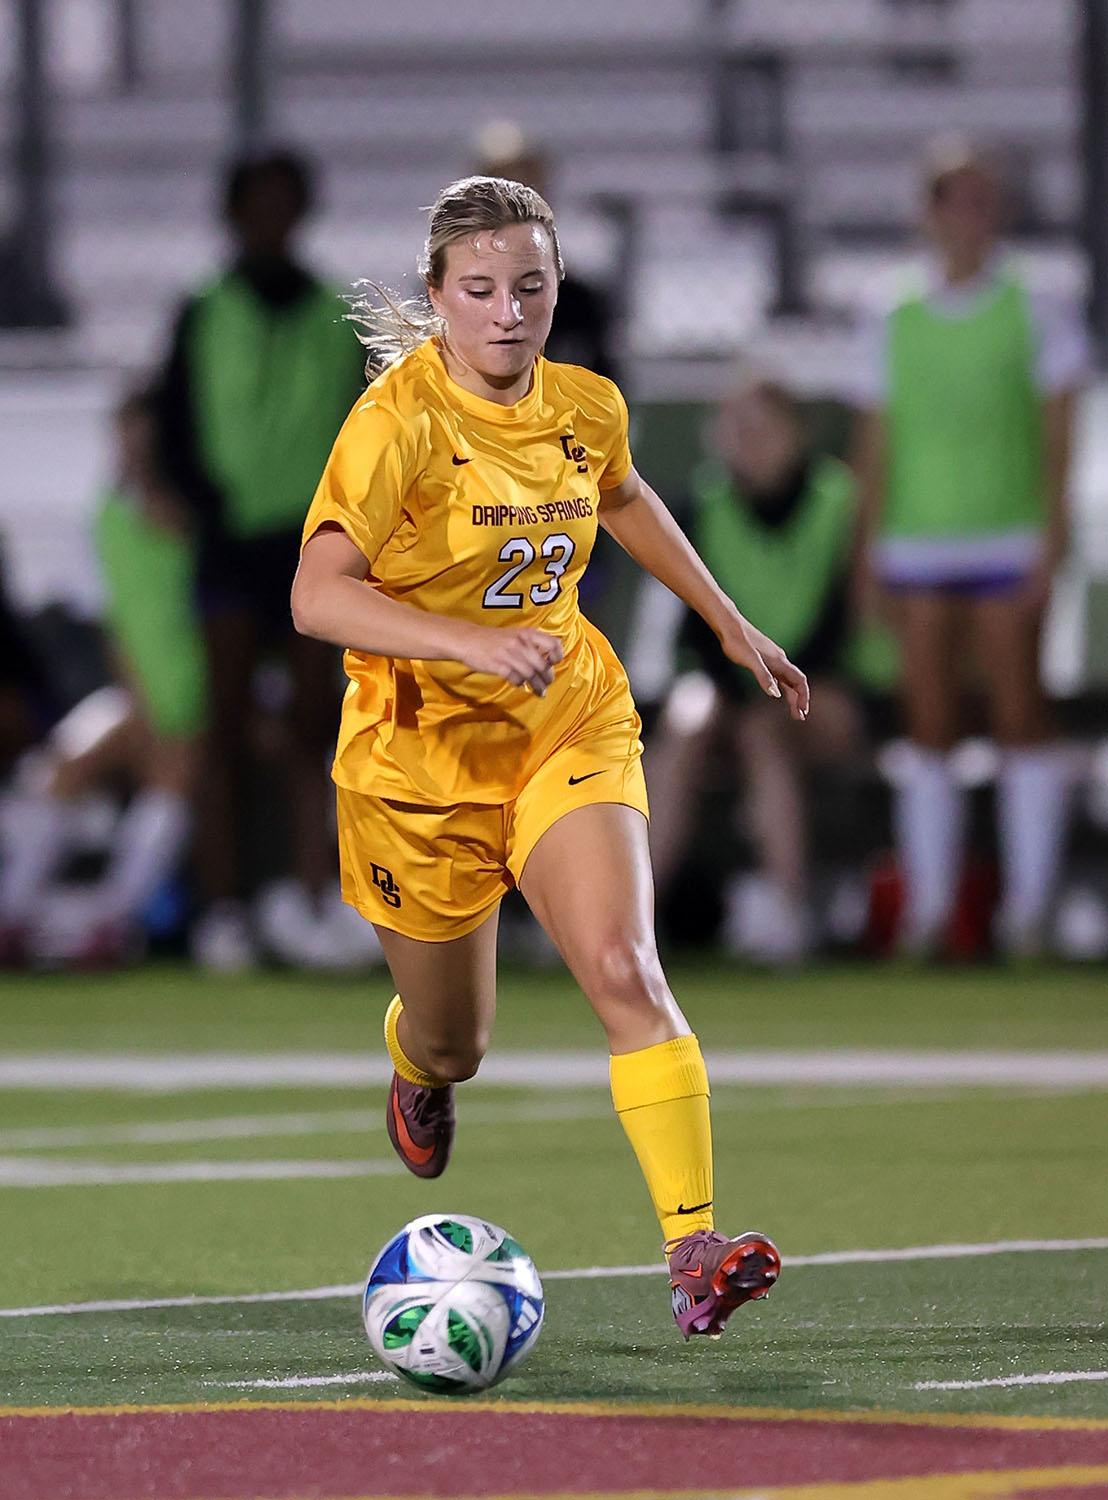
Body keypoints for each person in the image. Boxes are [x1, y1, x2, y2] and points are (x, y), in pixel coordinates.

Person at [292, 175, 809, 1339]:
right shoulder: (396, 426)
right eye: (477, 290)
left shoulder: (585, 404)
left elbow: (624, 498)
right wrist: (463, 639)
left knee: (625, 969)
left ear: (558, 287)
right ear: (437, 298)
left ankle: (692, 1248)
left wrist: (728, 623)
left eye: (529, 285)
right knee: (454, 1039)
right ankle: (413, 1067)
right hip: (416, 774)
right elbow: (316, 597)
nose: (506, 312)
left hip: (566, 727)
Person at [851, 142, 1089, 958]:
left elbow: (1060, 439)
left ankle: (1030, 911)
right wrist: (870, 558)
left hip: (1006, 540)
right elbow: (876, 446)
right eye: (952, 200)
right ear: (929, 212)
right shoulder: (891, 310)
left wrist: (1051, 545)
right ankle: (930, 912)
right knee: (929, 726)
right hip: (917, 547)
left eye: (981, 200)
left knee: (1021, 716)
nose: (967, 217)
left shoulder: (1038, 304)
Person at [156, 147, 364, 969]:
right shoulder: (202, 310)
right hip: (230, 546)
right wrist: (208, 506)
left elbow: (360, 424)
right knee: (225, 729)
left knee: (320, 725)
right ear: (235, 213)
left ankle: (320, 901)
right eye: (259, 201)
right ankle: (223, 910)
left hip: (311, 543)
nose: (273, 216)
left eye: (287, 199)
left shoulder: (329, 311)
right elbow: (176, 420)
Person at [648, 376, 864, 963]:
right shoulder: (702, 503)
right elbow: (693, 625)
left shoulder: (837, 499)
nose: (749, 442)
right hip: (732, 686)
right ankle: (634, 918)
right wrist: (744, 684)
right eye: (736, 428)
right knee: (686, 724)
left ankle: (787, 909)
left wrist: (776, 681)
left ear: (796, 434)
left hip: (820, 686)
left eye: (763, 428)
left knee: (765, 733)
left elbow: (842, 614)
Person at [0, 388, 201, 966]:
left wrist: (177, 709)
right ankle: (15, 914)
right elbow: (116, 620)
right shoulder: (109, 516)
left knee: (174, 775)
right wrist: (140, 700)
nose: (132, 452)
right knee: (63, 769)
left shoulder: (196, 522)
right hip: (139, 693)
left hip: (193, 695)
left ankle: (114, 919)